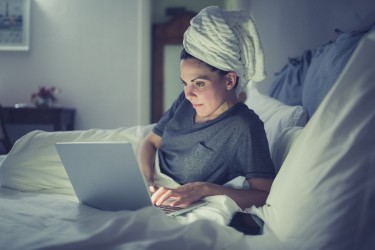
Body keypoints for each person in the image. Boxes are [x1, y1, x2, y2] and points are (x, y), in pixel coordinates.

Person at [138, 6, 275, 210]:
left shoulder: (244, 127)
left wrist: (204, 189)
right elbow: (149, 141)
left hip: (170, 192)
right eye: (185, 83)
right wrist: (147, 181)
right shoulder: (185, 102)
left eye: (199, 83)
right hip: (146, 172)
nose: (188, 94)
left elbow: (263, 194)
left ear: (229, 80)